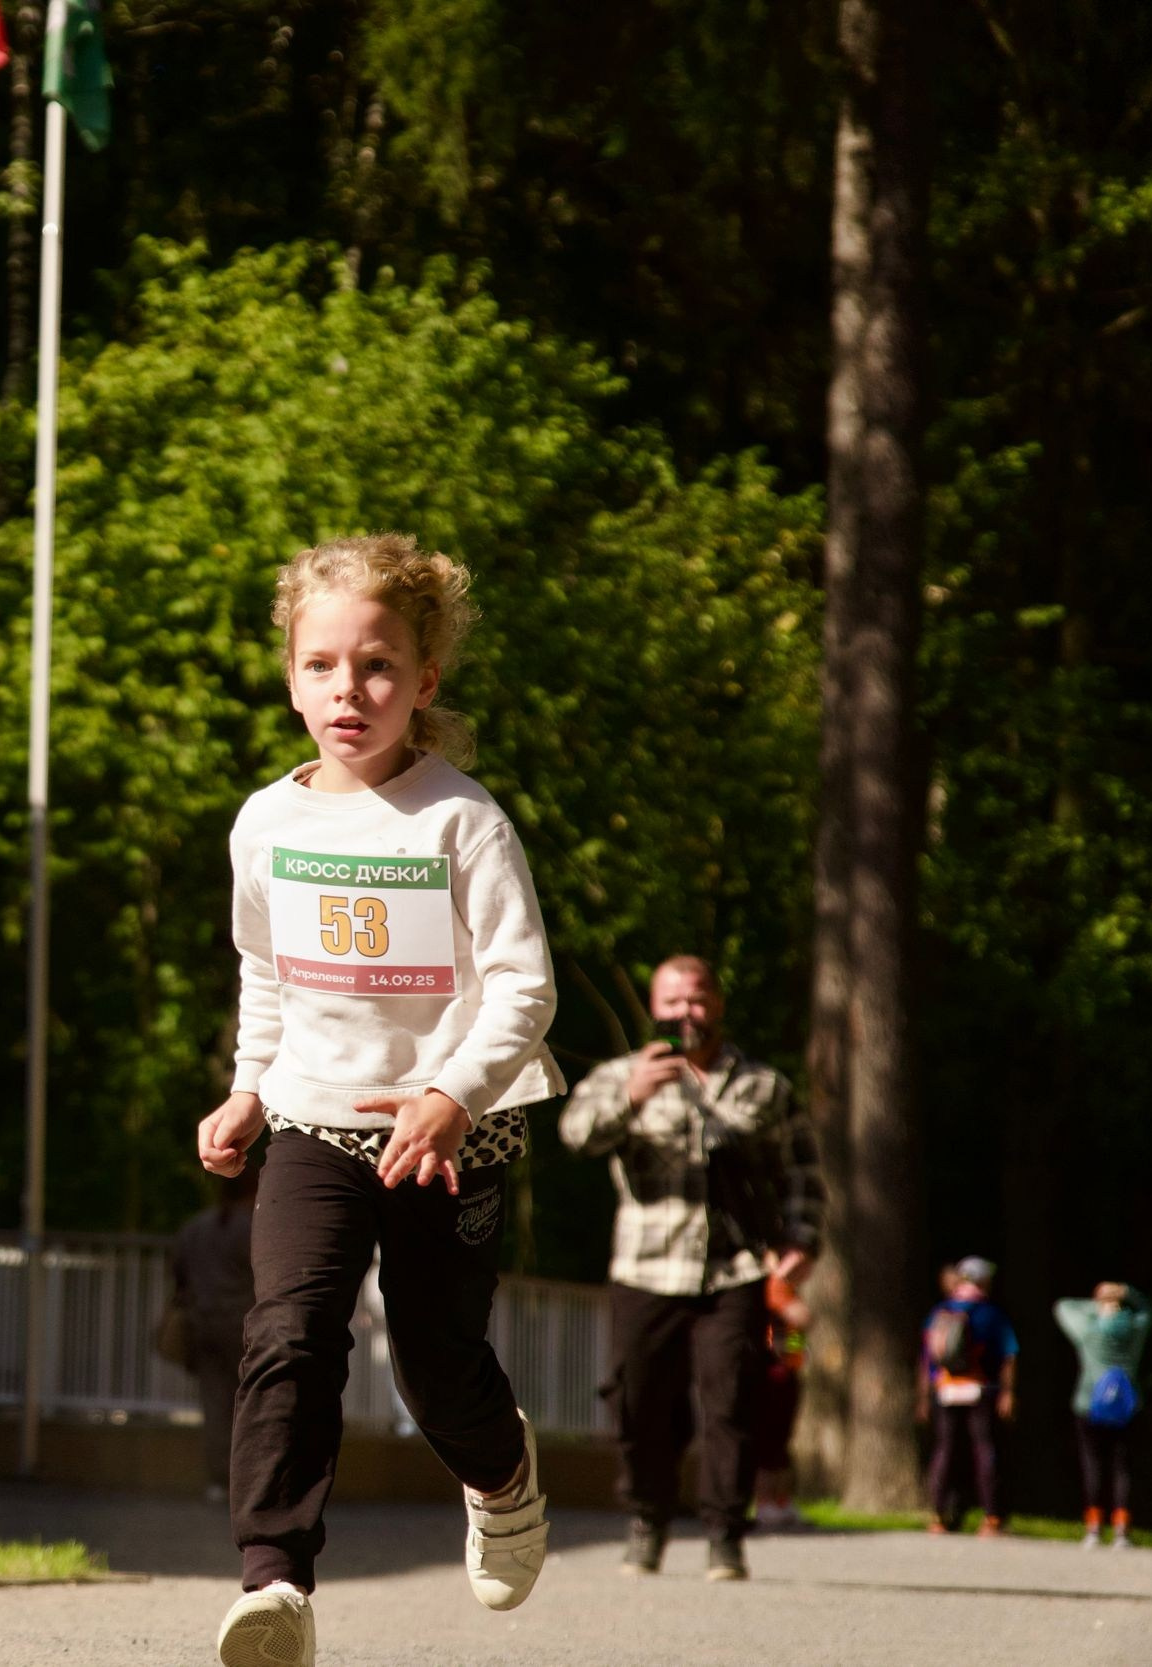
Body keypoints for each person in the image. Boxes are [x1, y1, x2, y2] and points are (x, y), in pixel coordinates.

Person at [196, 535, 565, 1667]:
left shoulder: (460, 818)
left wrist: (452, 1093)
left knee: (435, 1364)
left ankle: (501, 1479)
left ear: (425, 680)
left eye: (376, 667)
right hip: (313, 1116)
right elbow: (268, 971)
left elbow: (524, 987)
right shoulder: (266, 820)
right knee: (288, 1331)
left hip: (452, 1124)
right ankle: (274, 1582)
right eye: (320, 665)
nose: (346, 691)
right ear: (290, 674)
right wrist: (249, 1088)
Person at [559, 954, 824, 1580]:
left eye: (697, 999)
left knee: (732, 1398)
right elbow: (574, 1135)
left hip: (732, 1268)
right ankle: (647, 1516)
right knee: (637, 1400)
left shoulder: (763, 1085)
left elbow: (803, 1171)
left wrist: (804, 1239)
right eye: (673, 1001)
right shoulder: (623, 1074)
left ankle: (724, 1534)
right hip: (644, 1267)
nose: (686, 1013)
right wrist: (628, 1098)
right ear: (656, 1009)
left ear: (718, 1004)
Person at [170, 1165, 258, 1504]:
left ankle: (218, 1482)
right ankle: (249, 1482)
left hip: (202, 1326)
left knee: (215, 1403)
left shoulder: (196, 1227)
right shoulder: (254, 1226)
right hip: (246, 1328)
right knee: (252, 1403)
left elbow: (179, 1276)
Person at [917, 1255, 1018, 1536]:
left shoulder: (940, 1312)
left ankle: (938, 1515)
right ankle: (991, 1518)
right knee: (984, 1450)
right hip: (980, 1387)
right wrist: (1008, 1392)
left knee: (945, 1451)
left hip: (945, 1387)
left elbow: (926, 1359)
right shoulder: (991, 1314)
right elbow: (1009, 1355)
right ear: (984, 1280)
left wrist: (923, 1397)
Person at [1055, 1281, 1152, 1548]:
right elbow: (1147, 1310)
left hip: (1089, 1404)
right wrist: (1125, 1294)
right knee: (1123, 1466)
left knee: (1093, 1464)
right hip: (1127, 1406)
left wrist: (1098, 1303)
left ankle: (1094, 1526)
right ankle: (1122, 1528)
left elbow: (1063, 1306)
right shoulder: (1133, 1327)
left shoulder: (1089, 1329)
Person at [751, 1269, 813, 1532]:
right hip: (770, 1371)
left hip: (788, 1369)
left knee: (783, 1441)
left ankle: (782, 1501)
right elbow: (801, 1316)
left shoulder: (789, 1288)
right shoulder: (774, 1285)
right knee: (768, 1441)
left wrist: (795, 1353)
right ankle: (764, 1503)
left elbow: (800, 1327)